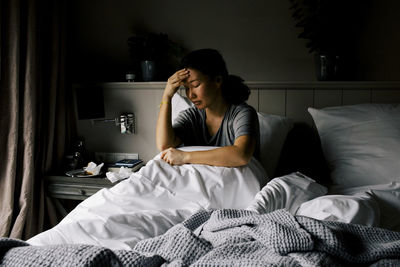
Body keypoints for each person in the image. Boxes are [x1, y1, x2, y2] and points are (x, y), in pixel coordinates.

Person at [156, 48, 259, 167]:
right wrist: (167, 96)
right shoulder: (191, 116)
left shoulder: (242, 114)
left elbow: (241, 155)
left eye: (195, 85)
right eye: (187, 88)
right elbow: (164, 146)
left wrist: (185, 156)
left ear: (217, 80)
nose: (191, 95)